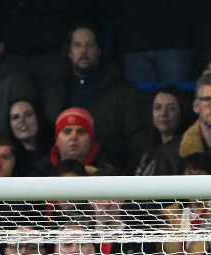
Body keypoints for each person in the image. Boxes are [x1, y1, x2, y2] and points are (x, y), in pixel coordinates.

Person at [42, 24, 150, 174]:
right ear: (69, 52)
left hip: (110, 177)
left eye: (90, 45)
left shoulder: (123, 91)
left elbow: (139, 142)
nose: (83, 51)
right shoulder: (56, 92)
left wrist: (122, 178)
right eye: (77, 45)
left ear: (99, 51)